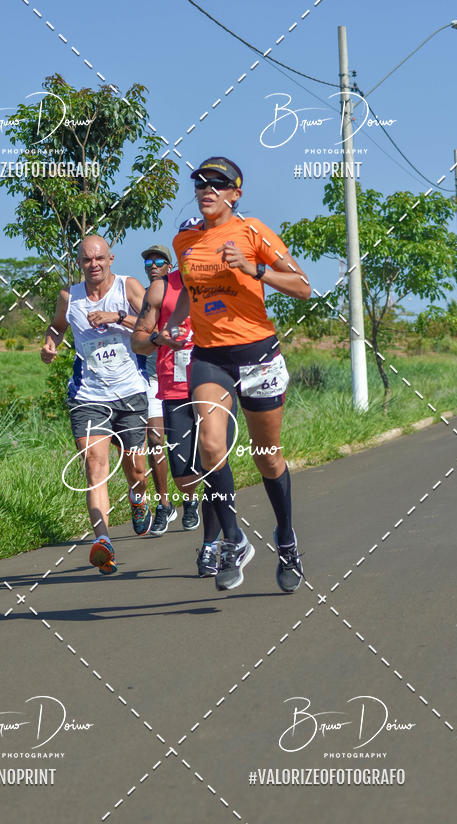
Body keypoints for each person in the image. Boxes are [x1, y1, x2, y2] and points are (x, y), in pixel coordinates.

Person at [157, 156, 311, 592]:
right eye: (200, 183)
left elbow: (302, 286)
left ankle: (286, 539)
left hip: (258, 355)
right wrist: (176, 321)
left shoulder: (253, 231)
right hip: (210, 357)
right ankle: (234, 539)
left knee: (266, 455)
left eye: (218, 183)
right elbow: (189, 289)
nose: (206, 189)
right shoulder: (184, 240)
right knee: (210, 445)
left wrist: (253, 268)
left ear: (235, 194)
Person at [40, 235, 152, 576]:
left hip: (130, 392)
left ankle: (138, 499)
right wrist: (50, 344)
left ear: (111, 258)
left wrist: (116, 316)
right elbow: (57, 329)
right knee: (94, 465)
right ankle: (103, 541)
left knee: (136, 470)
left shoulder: (128, 287)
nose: (94, 264)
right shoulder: (68, 298)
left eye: (99, 258)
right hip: (88, 396)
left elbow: (154, 325)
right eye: (87, 260)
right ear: (79, 263)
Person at [132, 242, 236, 576]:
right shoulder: (162, 287)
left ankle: (214, 545)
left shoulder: (223, 282)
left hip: (215, 386)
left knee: (214, 468)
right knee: (183, 474)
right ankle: (191, 504)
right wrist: (161, 339)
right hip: (175, 389)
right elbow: (139, 340)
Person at [139, 243, 200, 536]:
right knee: (155, 439)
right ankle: (165, 505)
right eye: (148, 260)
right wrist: (155, 336)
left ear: (170, 264)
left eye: (158, 260)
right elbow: (137, 332)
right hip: (153, 377)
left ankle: (191, 500)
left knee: (200, 447)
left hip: (196, 374)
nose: (152, 265)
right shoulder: (147, 291)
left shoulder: (174, 287)